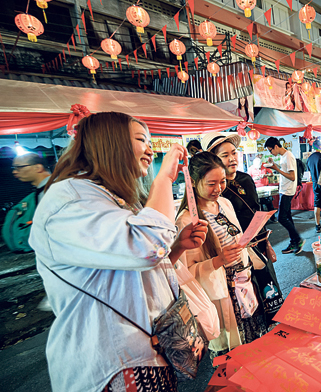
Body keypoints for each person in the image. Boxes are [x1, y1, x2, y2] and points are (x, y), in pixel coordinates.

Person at [29, 112, 209, 392]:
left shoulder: (111, 198)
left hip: (144, 354)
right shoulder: (69, 199)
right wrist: (164, 179)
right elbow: (146, 248)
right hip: (113, 365)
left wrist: (174, 249)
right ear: (109, 143)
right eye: (141, 140)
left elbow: (136, 270)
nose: (150, 149)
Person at [176, 152, 268, 359]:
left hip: (243, 285)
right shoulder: (186, 220)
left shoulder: (224, 203)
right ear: (193, 182)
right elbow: (186, 273)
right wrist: (219, 260)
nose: (218, 189)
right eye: (211, 184)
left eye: (223, 182)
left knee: (253, 345)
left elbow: (236, 236)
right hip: (221, 293)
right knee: (231, 355)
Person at [2, 153, 51, 252]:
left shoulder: (57, 190)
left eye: (19, 167)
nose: (14, 172)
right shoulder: (38, 193)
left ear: (38, 167)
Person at [264, 137, 304, 254]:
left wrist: (276, 168)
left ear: (276, 146)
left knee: (281, 218)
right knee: (287, 217)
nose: (271, 152)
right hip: (284, 190)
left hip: (287, 191)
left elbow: (292, 177)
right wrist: (275, 165)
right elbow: (286, 172)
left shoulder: (288, 156)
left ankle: (297, 239)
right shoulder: (283, 157)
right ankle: (294, 242)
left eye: (271, 150)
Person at [247, 156, 276, 222]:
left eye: (260, 167)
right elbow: (248, 179)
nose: (259, 169)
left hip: (265, 186)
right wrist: (254, 179)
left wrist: (266, 175)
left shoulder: (264, 165)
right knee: (259, 205)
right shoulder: (251, 169)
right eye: (257, 168)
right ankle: (263, 220)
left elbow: (271, 174)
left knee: (269, 203)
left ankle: (273, 218)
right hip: (257, 188)